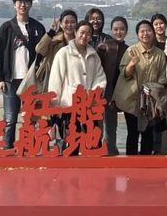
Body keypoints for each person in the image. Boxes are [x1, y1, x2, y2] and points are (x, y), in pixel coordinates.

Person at [0, 0, 45, 149]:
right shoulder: (6, 28)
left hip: (31, 80)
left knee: (30, 117)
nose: (23, 5)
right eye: (20, 2)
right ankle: (7, 148)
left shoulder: (37, 27)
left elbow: (44, 52)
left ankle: (28, 148)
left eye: (26, 2)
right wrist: (0, 79)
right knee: (10, 118)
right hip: (11, 79)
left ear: (31, 4)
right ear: (14, 5)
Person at [47, 21, 107, 153]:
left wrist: (94, 92)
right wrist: (54, 104)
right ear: (75, 33)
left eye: (88, 34)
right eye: (82, 32)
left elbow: (100, 78)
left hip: (89, 106)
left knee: (91, 143)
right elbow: (56, 80)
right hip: (69, 105)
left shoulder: (93, 55)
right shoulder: (64, 53)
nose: (84, 36)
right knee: (71, 143)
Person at [113, 20, 167, 155]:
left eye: (148, 30)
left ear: (153, 33)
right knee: (132, 133)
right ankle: (131, 163)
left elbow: (162, 77)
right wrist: (132, 64)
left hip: (150, 101)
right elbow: (125, 74)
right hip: (132, 99)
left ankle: (145, 163)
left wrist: (153, 90)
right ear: (137, 34)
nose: (145, 34)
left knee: (148, 134)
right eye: (142, 31)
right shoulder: (131, 50)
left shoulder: (159, 54)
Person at [96, 16, 129, 156]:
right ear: (111, 30)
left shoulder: (129, 49)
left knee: (111, 127)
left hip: (118, 94)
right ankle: (96, 153)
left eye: (122, 29)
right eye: (115, 29)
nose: (118, 32)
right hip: (103, 92)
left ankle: (111, 153)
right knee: (97, 126)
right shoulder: (104, 46)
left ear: (126, 31)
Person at [35, 9, 77, 93]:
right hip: (54, 80)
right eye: (66, 22)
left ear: (76, 24)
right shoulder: (54, 42)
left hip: (73, 81)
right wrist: (51, 31)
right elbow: (39, 49)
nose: (69, 25)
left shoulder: (80, 42)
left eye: (72, 22)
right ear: (61, 24)